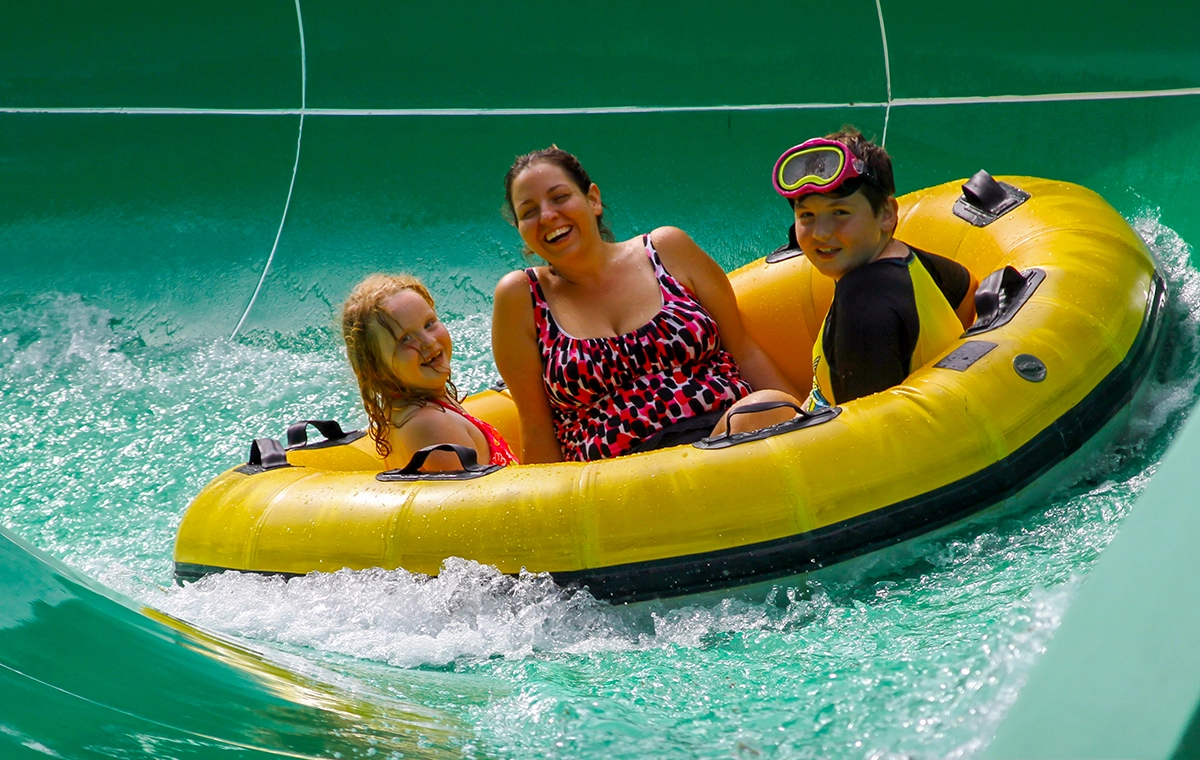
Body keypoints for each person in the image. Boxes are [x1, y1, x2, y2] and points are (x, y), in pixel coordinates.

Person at [492, 146, 803, 464]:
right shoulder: (521, 297)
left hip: (723, 439)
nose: (546, 216)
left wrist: (814, 419)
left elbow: (744, 351)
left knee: (770, 408)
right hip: (620, 478)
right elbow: (536, 426)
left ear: (593, 199)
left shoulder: (668, 249)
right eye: (529, 211)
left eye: (559, 197)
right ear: (519, 228)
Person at [771, 127, 978, 410]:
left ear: (886, 213)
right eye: (807, 215)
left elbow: (867, 430)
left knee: (755, 411)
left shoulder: (864, 306)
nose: (820, 233)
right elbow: (967, 290)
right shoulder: (905, 258)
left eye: (840, 213)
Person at [342, 274, 517, 472]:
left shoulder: (415, 411)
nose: (428, 341)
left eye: (429, 324)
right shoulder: (430, 426)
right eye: (405, 339)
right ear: (376, 368)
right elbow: (469, 499)